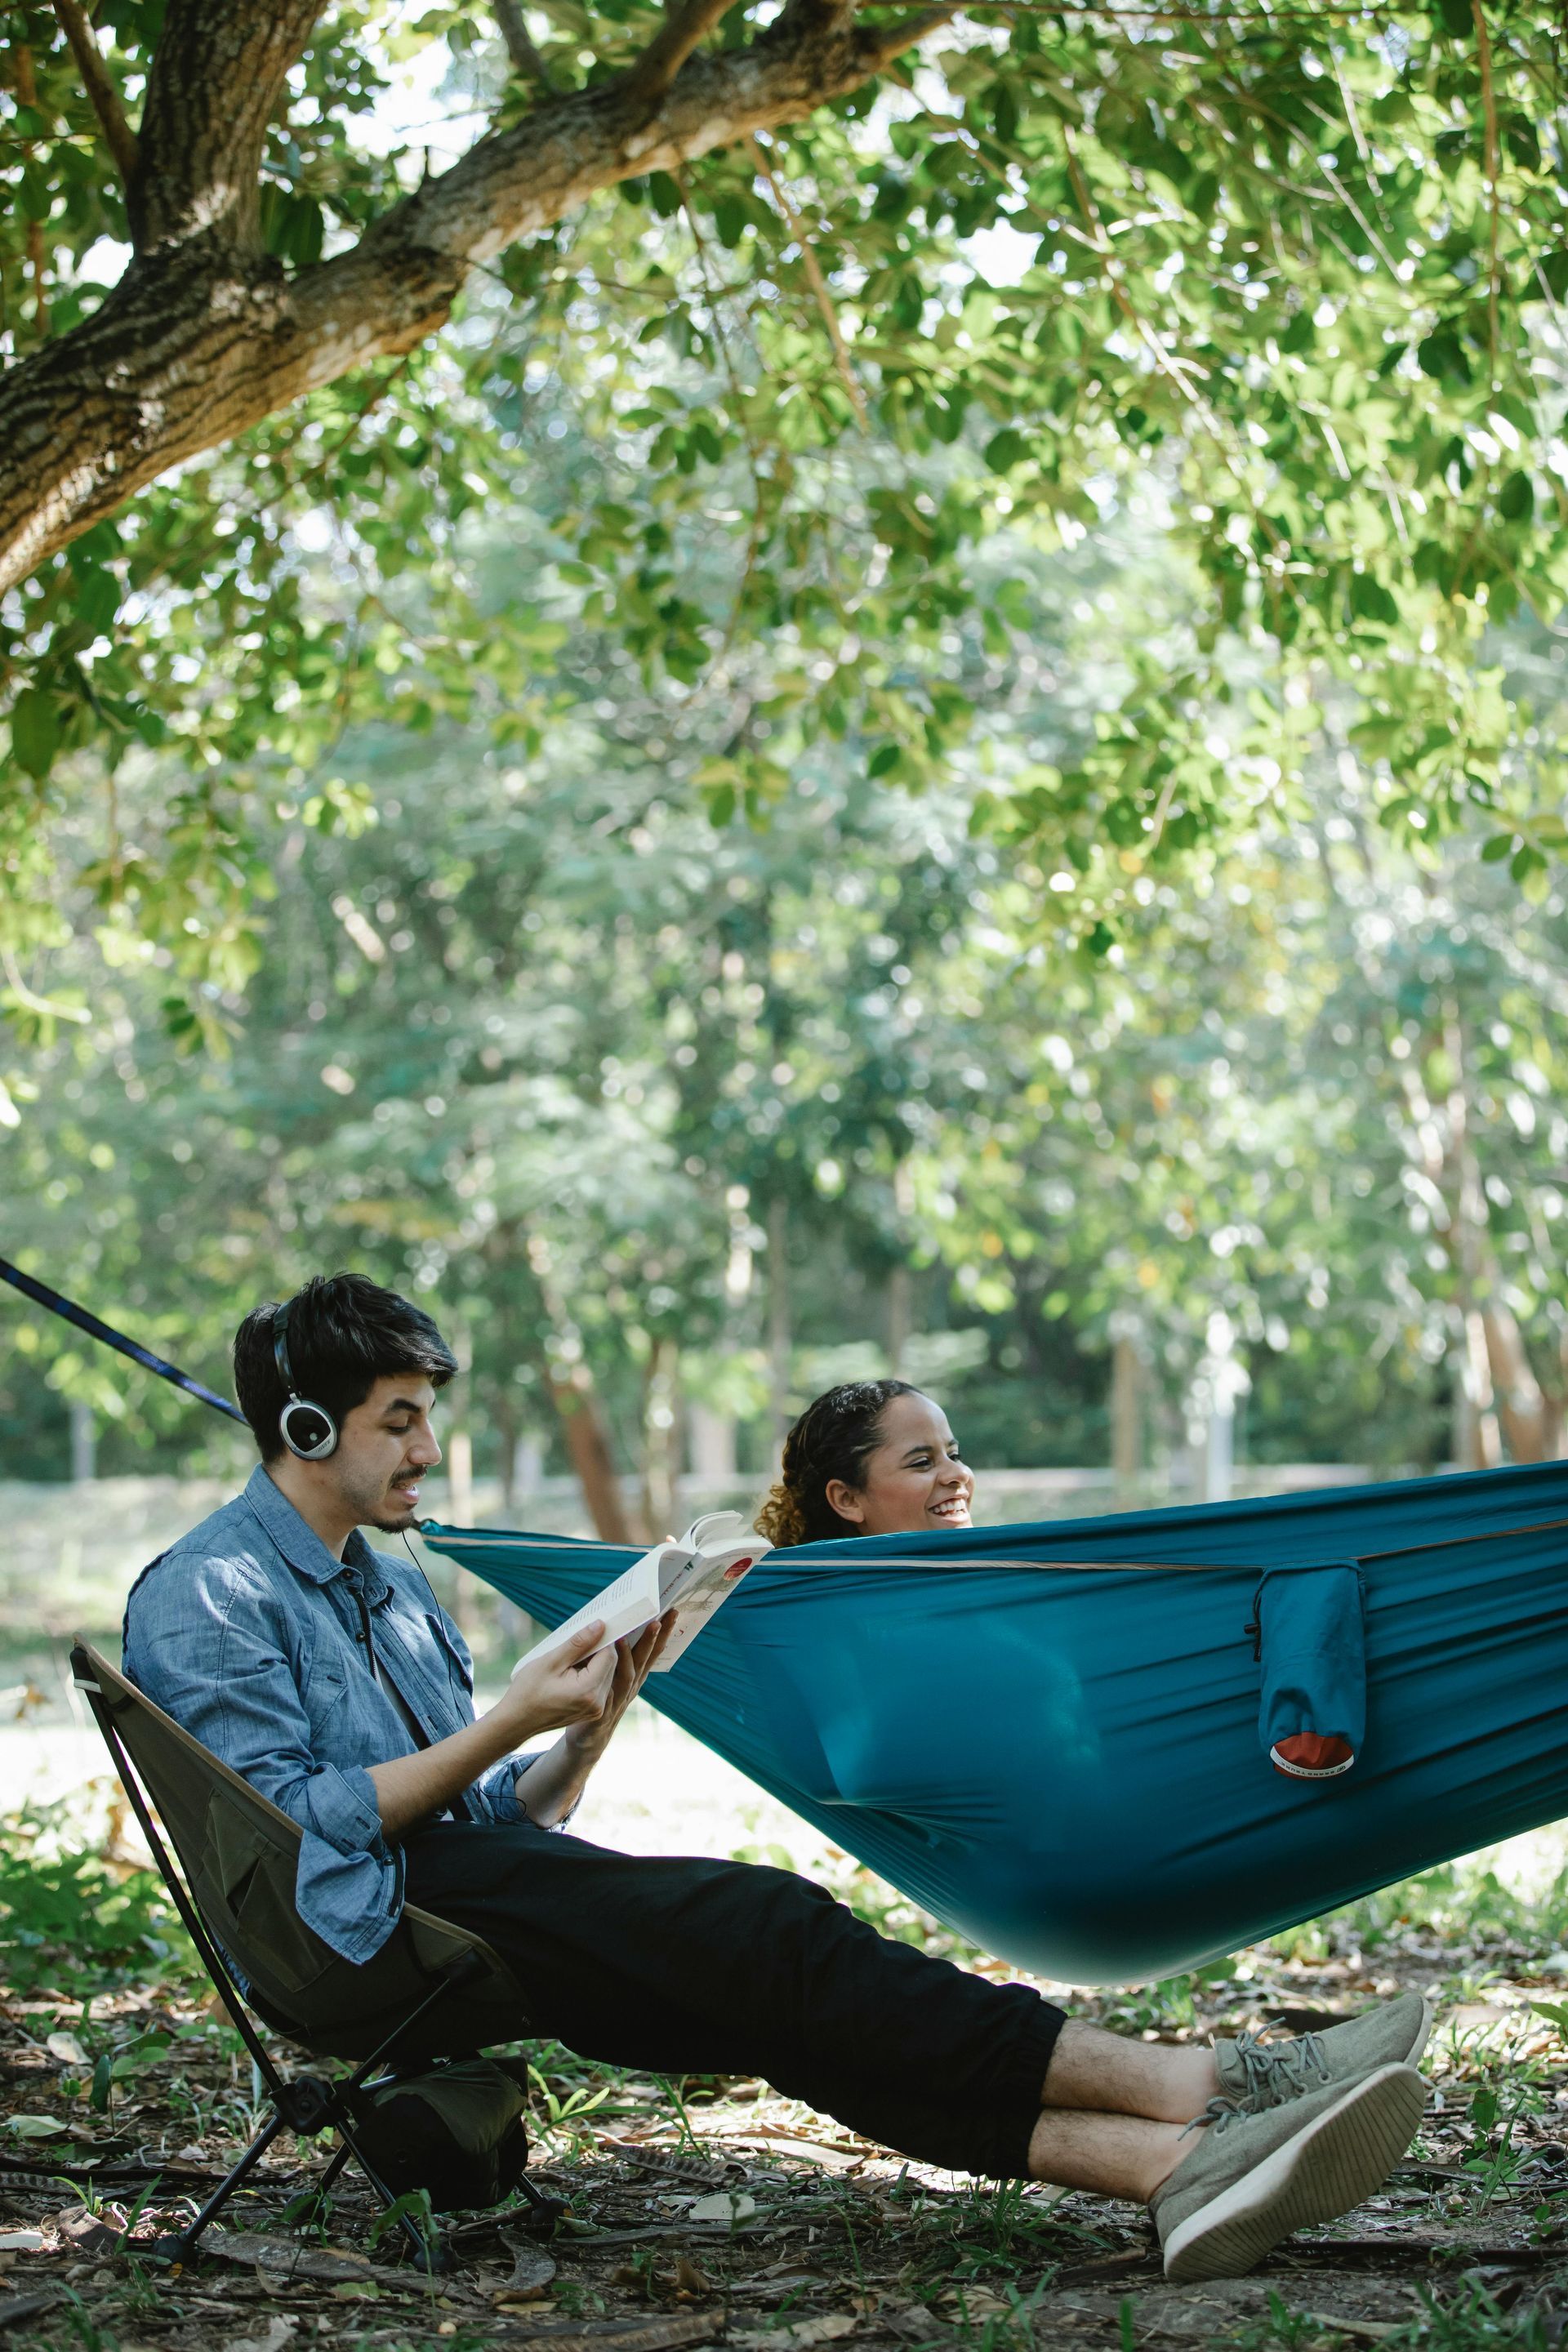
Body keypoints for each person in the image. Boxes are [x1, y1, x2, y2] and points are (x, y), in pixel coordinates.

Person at [123, 1276, 1431, 2284]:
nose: (424, 1451)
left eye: (427, 1419)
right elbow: (295, 1834)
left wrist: (584, 1725)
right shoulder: (212, 1593)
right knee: (772, 1928)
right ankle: (1211, 2085)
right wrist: (506, 1712)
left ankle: (1170, 2172)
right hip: (348, 1942)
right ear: (306, 1426)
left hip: (451, 1892)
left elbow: (482, 1820)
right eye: (397, 1422)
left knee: (775, 2006)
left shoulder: (391, 1590)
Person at [757, 1379, 975, 1545]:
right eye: (922, 1462)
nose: (960, 1474)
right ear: (847, 1499)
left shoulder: (996, 1580)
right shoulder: (809, 1602)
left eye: (954, 1455)